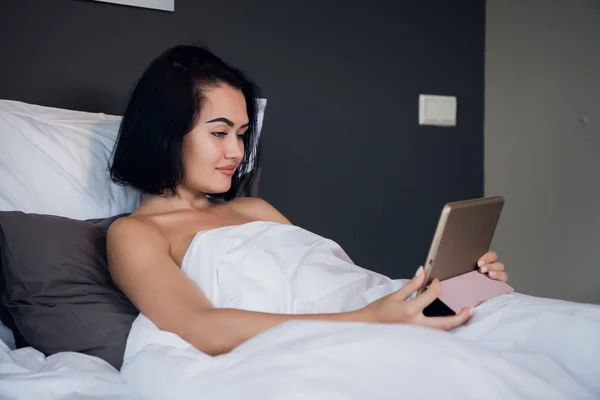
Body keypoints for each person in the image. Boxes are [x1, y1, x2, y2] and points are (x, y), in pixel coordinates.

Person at [106, 44, 508, 357]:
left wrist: (450, 285)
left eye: (242, 134)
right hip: (340, 338)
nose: (236, 152)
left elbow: (336, 282)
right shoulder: (136, 233)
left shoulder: (255, 210)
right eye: (219, 132)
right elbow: (199, 326)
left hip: (381, 309)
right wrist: (370, 321)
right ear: (166, 132)